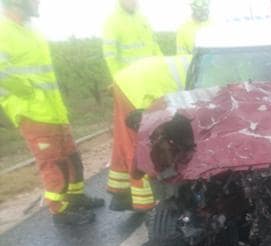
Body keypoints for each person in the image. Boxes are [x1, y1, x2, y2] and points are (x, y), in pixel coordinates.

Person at [0, 0, 104, 226]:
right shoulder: (3, 32)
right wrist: (26, 92)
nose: (38, 3)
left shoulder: (30, 30)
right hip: (32, 112)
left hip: (53, 110)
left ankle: (76, 198)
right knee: (52, 162)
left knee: (72, 158)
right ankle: (60, 210)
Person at [107, 55, 191, 212]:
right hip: (141, 88)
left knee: (127, 140)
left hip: (132, 80)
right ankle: (148, 204)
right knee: (146, 144)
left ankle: (121, 194)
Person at [102, 0, 162, 77]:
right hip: (130, 78)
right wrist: (118, 78)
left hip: (151, 74)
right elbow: (110, 55)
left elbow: (155, 45)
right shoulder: (111, 21)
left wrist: (162, 65)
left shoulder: (143, 18)